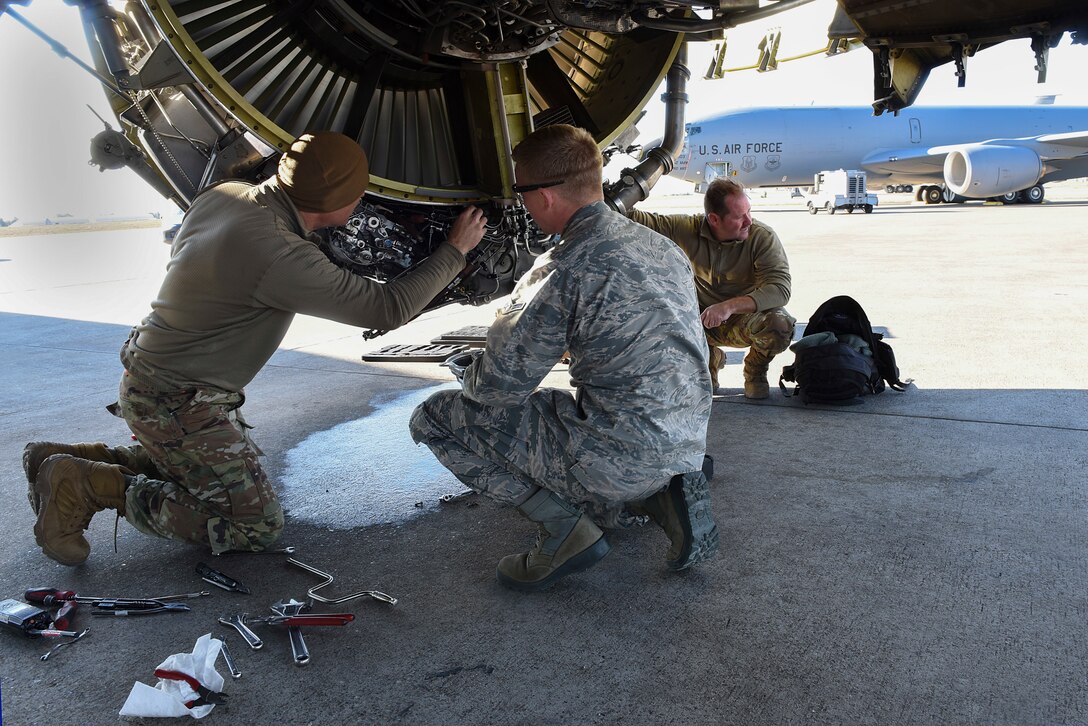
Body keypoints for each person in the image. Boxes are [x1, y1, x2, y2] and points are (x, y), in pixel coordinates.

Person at [25, 131, 486, 566]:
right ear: (340, 201)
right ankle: (86, 484)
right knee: (253, 525)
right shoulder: (281, 254)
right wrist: (454, 251)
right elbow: (387, 308)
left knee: (199, 472)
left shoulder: (223, 197)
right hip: (178, 401)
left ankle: (63, 460)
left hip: (153, 376)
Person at [409, 124, 718, 592]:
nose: (522, 204)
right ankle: (658, 498)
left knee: (434, 417)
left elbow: (498, 389)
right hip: (687, 443)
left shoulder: (563, 267)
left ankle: (564, 530)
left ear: (546, 196)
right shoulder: (663, 248)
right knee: (566, 410)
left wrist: (469, 370)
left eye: (521, 192)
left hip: (621, 455)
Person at [627, 178, 795, 399]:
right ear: (714, 219)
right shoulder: (685, 229)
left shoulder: (761, 237)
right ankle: (708, 360)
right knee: (646, 317)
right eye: (739, 217)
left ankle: (755, 369)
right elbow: (634, 218)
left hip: (743, 321)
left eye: (749, 212)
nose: (748, 221)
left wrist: (728, 307)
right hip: (699, 324)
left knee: (779, 325)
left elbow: (780, 288)